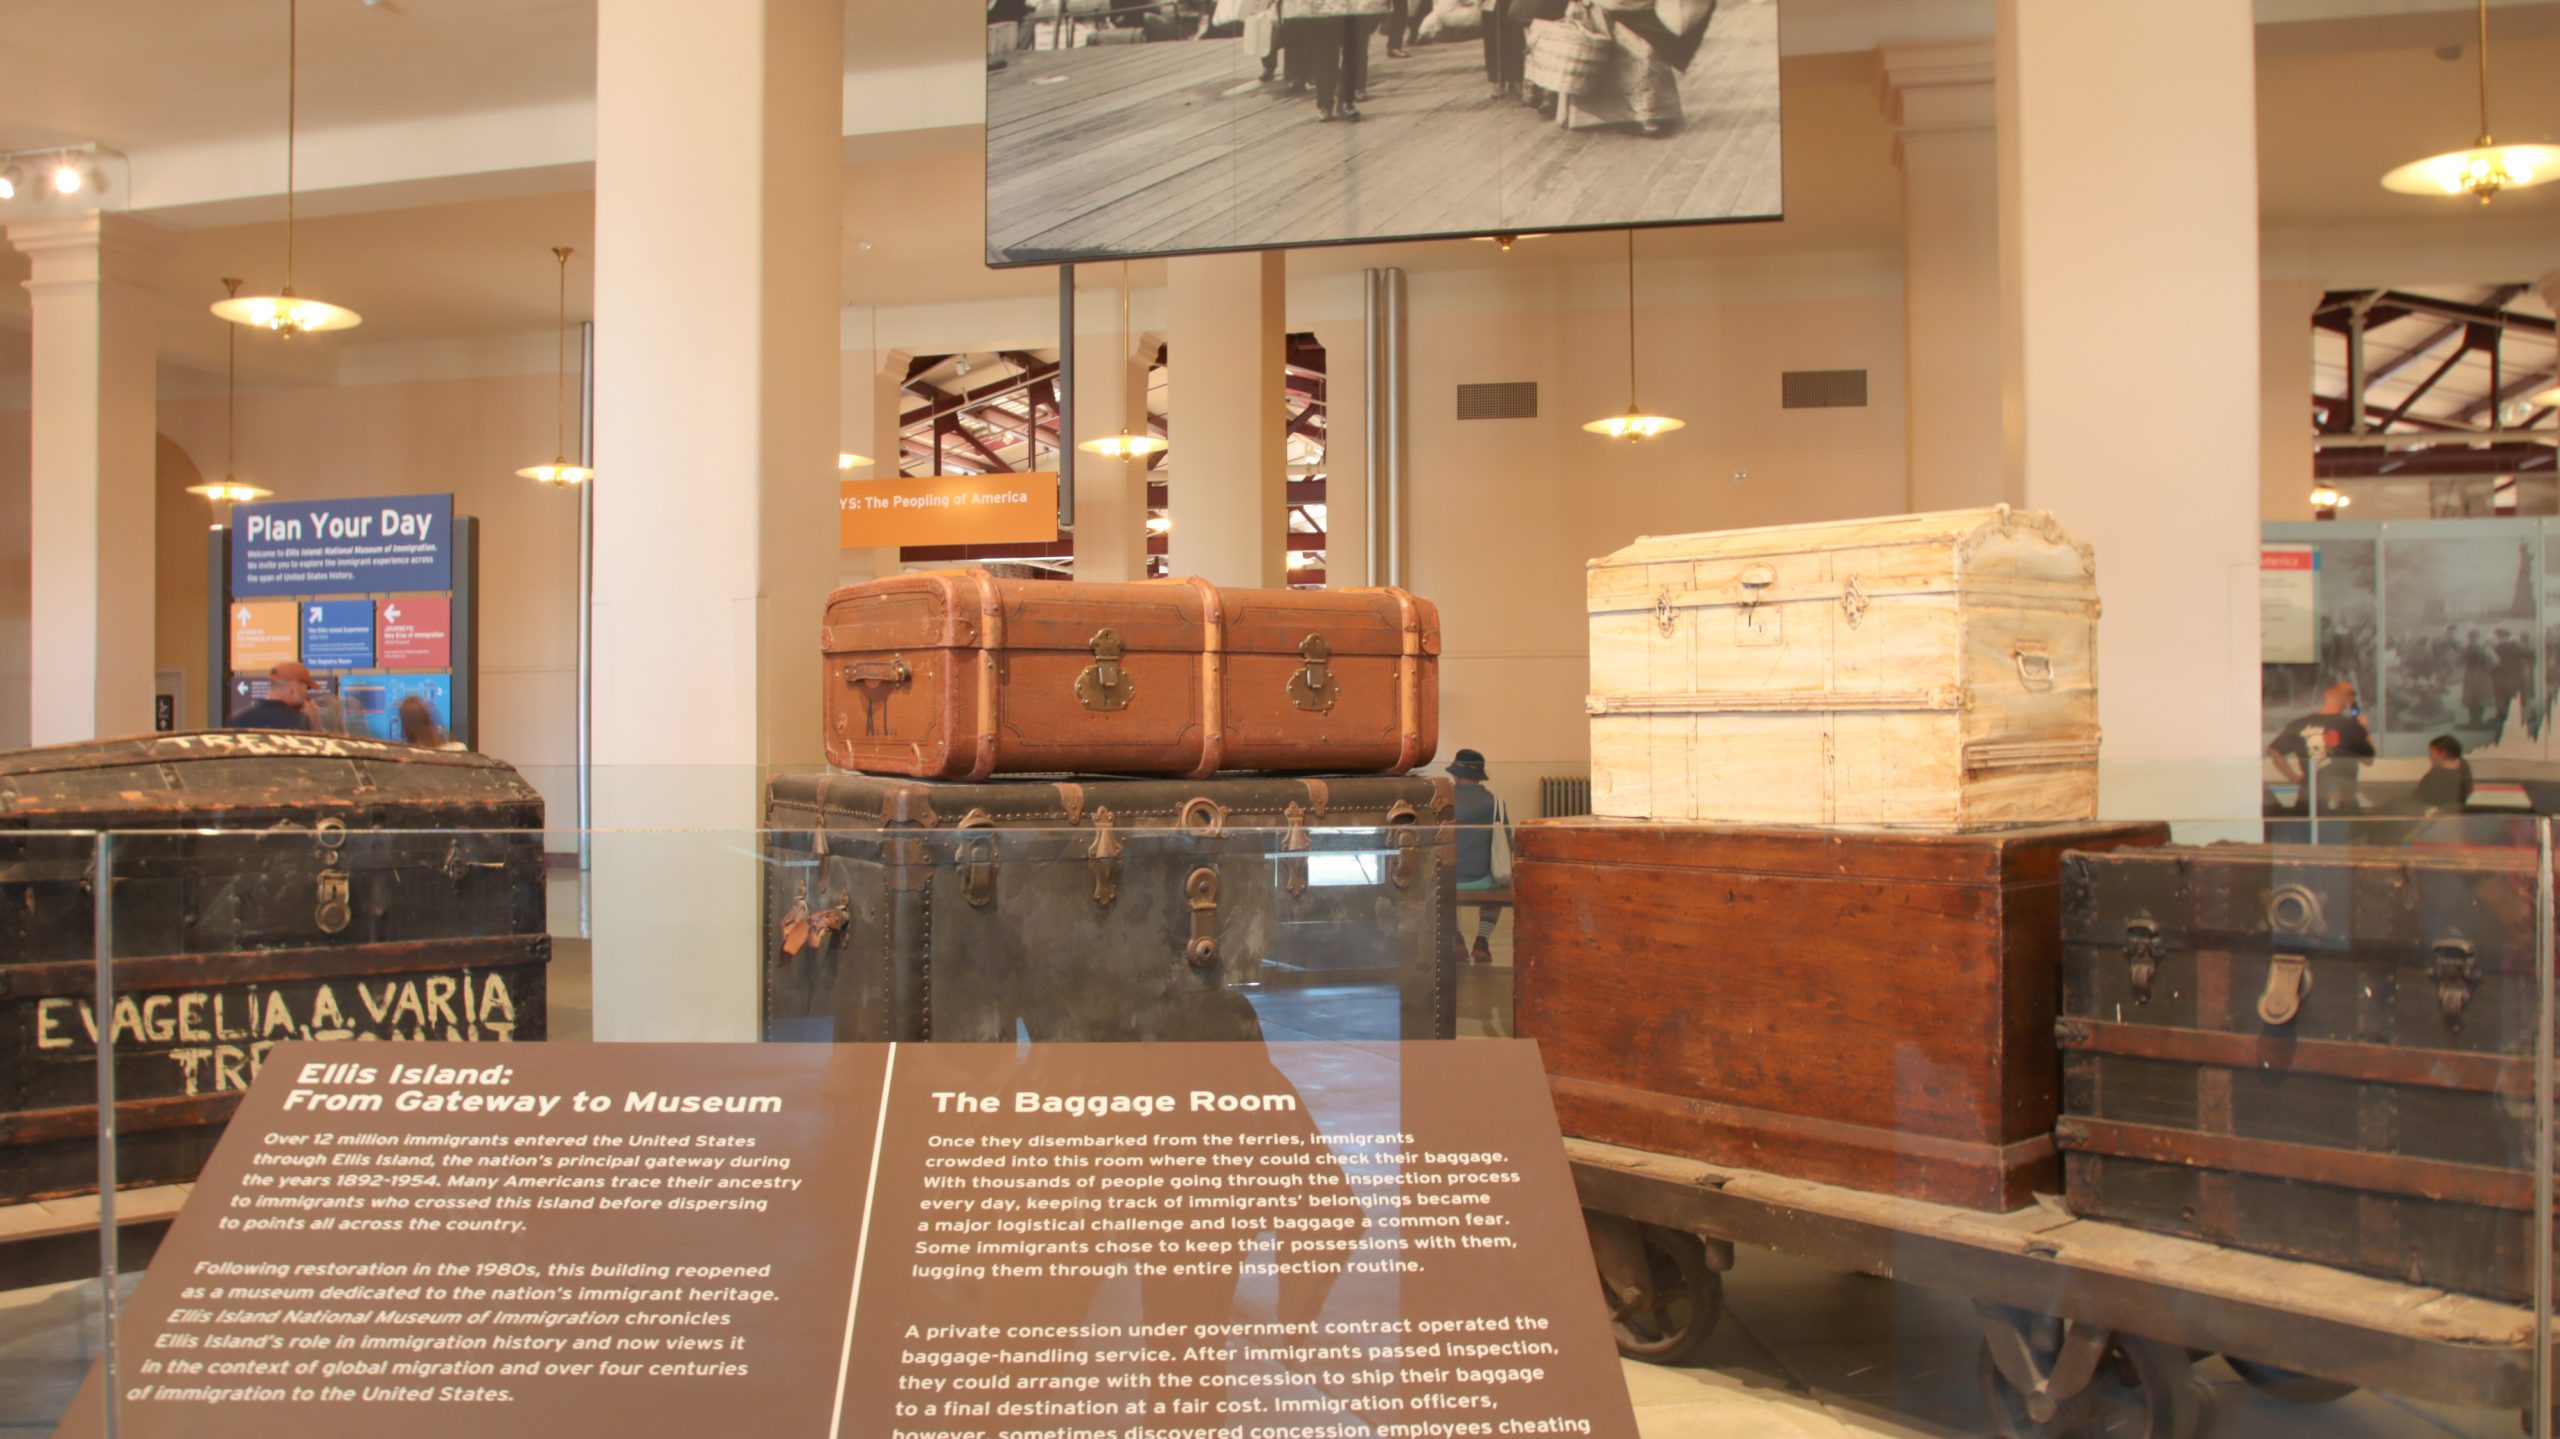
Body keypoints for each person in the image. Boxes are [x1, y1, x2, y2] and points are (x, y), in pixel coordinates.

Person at [2266, 681, 2376, 815]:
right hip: (2319, 797)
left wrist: (2362, 728)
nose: (2349, 697)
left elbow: (2368, 760)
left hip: (2336, 798)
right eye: (2347, 693)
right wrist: (2293, 777)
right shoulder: (2305, 723)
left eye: (2351, 694)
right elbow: (2274, 750)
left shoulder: (2347, 725)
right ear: (2329, 694)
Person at [1450, 748, 1511, 963]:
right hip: (1483, 881)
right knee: (1500, 885)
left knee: (1444, 887)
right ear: (1479, 776)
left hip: (1451, 879)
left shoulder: (1444, 801)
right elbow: (1507, 842)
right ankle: (1482, 941)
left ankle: (1456, 938)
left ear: (1456, 774)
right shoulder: (1495, 803)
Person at [227, 661, 316, 731]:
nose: (306, 694)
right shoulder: (300, 721)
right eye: (306, 688)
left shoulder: (237, 718)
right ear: (293, 689)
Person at [2415, 734, 2474, 813]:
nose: (2430, 757)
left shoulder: (2438, 773)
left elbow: (2420, 796)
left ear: (2443, 753)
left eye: (2432, 752)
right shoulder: (2462, 766)